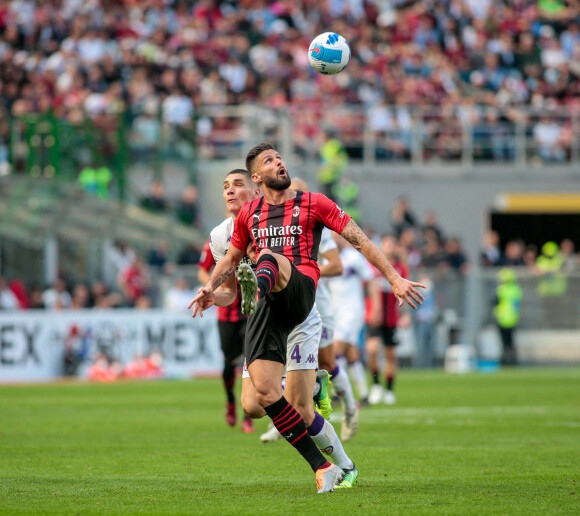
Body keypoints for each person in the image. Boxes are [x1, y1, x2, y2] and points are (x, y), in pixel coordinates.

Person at [190, 143, 425, 493]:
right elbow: (228, 262)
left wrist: (393, 277)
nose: (279, 162)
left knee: (269, 258)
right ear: (259, 176)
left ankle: (260, 284)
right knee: (260, 402)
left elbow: (358, 240)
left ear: (252, 186)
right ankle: (333, 467)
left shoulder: (314, 203)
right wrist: (211, 288)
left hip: (299, 301)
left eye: (279, 157)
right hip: (266, 312)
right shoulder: (241, 221)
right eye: (270, 160)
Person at [199, 169, 359, 488]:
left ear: (257, 192)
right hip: (262, 318)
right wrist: (213, 295)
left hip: (295, 314)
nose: (230, 191)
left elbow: (314, 262)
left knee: (299, 407)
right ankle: (307, 384)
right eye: (225, 186)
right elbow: (230, 291)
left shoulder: (277, 222)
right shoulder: (220, 236)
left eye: (238, 185)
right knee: (253, 406)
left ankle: (344, 467)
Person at [287, 177, 360, 444]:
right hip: (289, 304)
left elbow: (337, 266)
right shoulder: (276, 224)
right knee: (287, 362)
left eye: (300, 193)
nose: (296, 199)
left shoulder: (318, 226)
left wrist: (303, 272)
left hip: (318, 302)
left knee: (327, 362)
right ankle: (287, 413)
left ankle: (351, 408)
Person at [326, 233, 374, 419]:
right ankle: (364, 395)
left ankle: (338, 394)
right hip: (335, 313)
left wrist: (375, 307)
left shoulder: (354, 257)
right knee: (350, 353)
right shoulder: (327, 258)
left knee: (336, 351)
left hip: (353, 312)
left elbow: (370, 280)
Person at [366, 234, 410, 405]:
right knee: (372, 350)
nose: (389, 246)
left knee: (390, 354)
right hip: (374, 316)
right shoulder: (372, 266)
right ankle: (376, 385)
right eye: (386, 242)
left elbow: (406, 291)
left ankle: (389, 390)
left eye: (392, 243)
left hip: (392, 316)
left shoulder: (400, 268)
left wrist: (406, 314)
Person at [493, 268, 522, 366]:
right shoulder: (516, 289)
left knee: (504, 342)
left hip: (502, 318)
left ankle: (504, 361)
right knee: (511, 341)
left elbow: (495, 302)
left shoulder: (501, 289)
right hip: (513, 318)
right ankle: (513, 360)